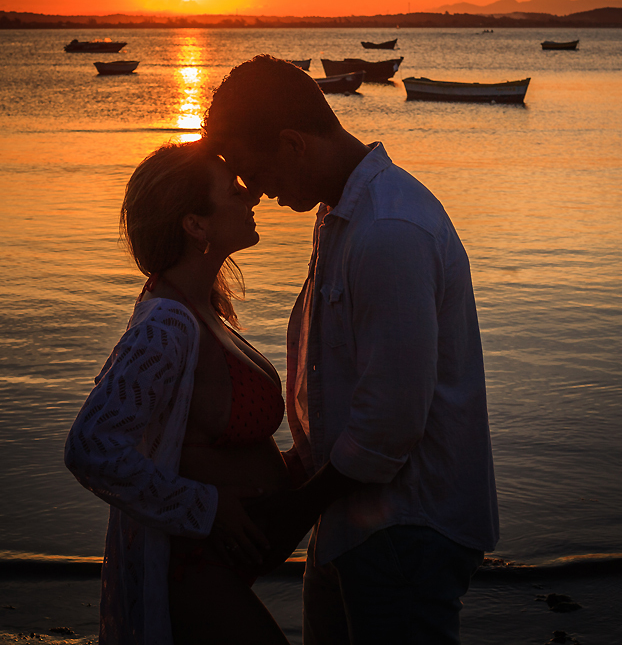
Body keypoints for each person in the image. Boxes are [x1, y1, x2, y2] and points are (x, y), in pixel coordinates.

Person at [202, 54, 500, 645]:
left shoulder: (389, 230)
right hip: (356, 520)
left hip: (406, 528)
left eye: (254, 173)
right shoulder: (345, 213)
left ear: (293, 143)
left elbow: (389, 423)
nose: (256, 194)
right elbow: (346, 381)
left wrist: (295, 510)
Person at [64, 140, 298, 645]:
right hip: (193, 569)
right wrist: (206, 507)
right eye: (233, 190)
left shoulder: (199, 307)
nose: (251, 196)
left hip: (217, 565)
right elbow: (91, 447)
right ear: (196, 225)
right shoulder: (166, 323)